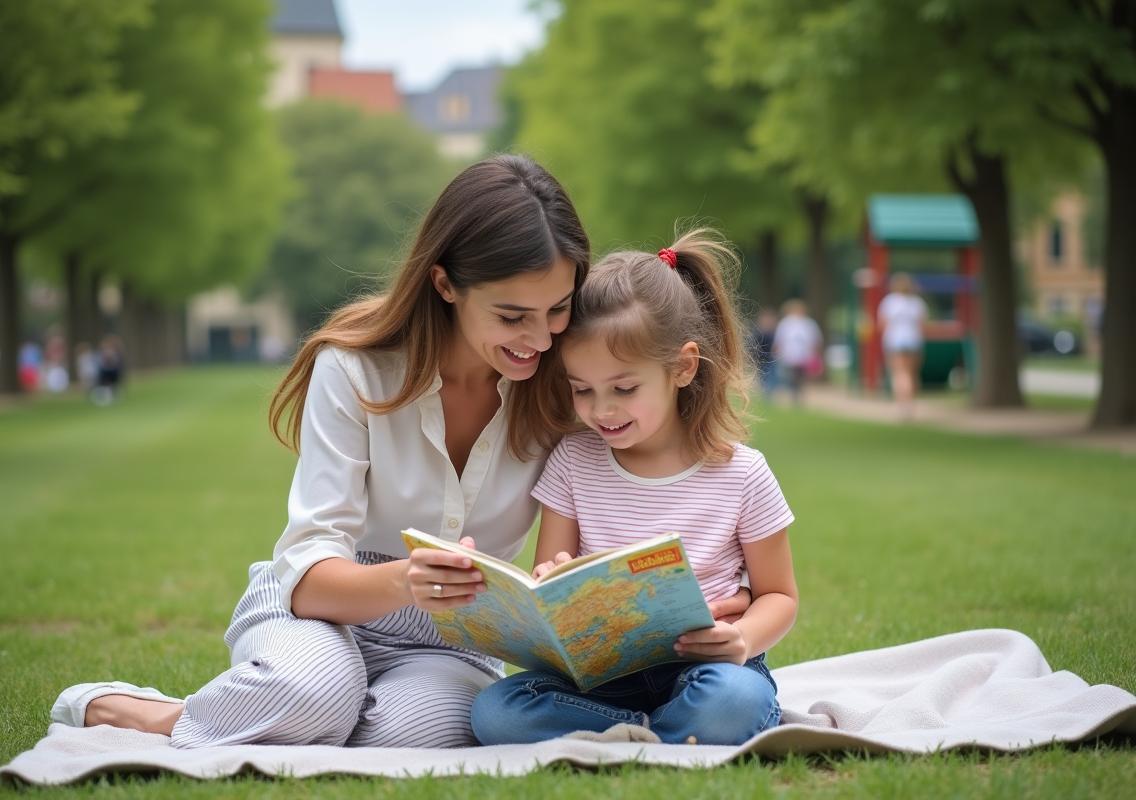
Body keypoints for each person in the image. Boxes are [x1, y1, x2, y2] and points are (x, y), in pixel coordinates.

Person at [49, 157, 755, 749]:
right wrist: (404, 582)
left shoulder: (564, 388)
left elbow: (642, 458)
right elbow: (309, 561)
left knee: (412, 738)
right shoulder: (356, 370)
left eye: (558, 309)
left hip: (453, 634)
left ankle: (267, 721)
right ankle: (151, 713)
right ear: (445, 283)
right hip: (323, 601)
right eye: (512, 316)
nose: (539, 339)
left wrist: (711, 591)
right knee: (311, 693)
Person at [471, 231, 798, 747]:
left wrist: (743, 640)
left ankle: (627, 736)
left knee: (735, 700)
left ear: (683, 367)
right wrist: (551, 579)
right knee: (496, 711)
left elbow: (779, 595)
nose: (602, 410)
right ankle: (656, 736)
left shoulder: (743, 474)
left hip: (705, 669)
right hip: (599, 680)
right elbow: (549, 575)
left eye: (624, 389)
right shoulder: (575, 461)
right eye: (582, 390)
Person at [878, 273, 928, 420]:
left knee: (899, 373)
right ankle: (910, 404)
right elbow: (922, 325)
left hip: (895, 341)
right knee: (911, 373)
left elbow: (883, 324)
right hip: (913, 341)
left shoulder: (889, 302)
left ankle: (902, 405)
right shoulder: (917, 303)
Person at [772, 299, 822, 406]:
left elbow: (815, 340)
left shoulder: (809, 323)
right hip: (789, 356)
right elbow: (780, 340)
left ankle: (797, 394)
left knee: (800, 377)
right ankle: (794, 393)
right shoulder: (786, 323)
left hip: (804, 356)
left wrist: (814, 354)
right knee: (791, 377)